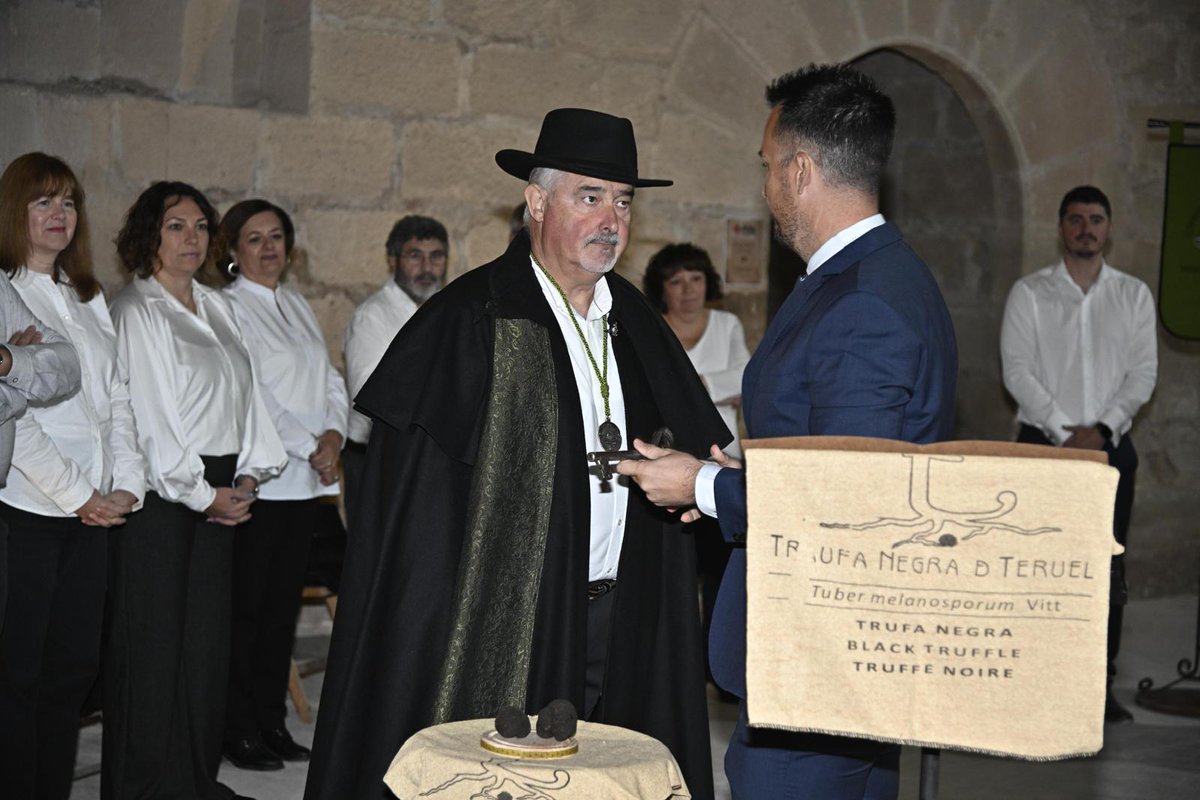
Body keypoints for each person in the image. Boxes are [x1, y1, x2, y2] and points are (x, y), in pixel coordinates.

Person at [304, 108, 730, 800]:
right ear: (536, 202)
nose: (612, 220)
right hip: (514, 618)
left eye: (623, 201)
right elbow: (415, 517)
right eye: (589, 197)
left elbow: (689, 446)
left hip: (625, 610)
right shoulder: (472, 320)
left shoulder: (640, 325)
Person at [619, 64, 958, 799]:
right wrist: (725, 474)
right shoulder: (875, 275)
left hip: (820, 653)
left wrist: (702, 485)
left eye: (769, 167)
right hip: (846, 659)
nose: (766, 185)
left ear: (801, 171)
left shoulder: (863, 305)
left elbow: (847, 501)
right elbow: (833, 447)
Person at [104, 181, 286, 800]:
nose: (192, 238)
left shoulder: (217, 306)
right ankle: (144, 784)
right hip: (166, 493)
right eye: (176, 226)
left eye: (201, 227)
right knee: (155, 644)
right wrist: (200, 493)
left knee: (204, 647)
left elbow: (248, 394)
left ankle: (190, 779)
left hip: (222, 485)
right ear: (149, 233)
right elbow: (151, 416)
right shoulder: (136, 308)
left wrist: (251, 474)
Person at [1000, 185, 1157, 724]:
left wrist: (1103, 429)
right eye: (1075, 219)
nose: (1086, 228)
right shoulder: (1030, 293)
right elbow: (1017, 370)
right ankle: (1032, 680)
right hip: (1044, 449)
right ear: (1061, 228)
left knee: (1105, 569)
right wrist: (1063, 432)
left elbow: (1143, 373)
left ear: (1108, 228)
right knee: (1035, 566)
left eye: (1095, 219)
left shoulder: (1134, 296)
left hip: (1110, 452)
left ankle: (1097, 687)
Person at [218, 199, 349, 770]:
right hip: (262, 486)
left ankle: (271, 723)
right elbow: (254, 395)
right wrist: (308, 445)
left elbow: (330, 380)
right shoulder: (227, 308)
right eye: (254, 239)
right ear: (232, 250)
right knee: (246, 616)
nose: (268, 248)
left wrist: (334, 438)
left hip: (304, 487)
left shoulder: (295, 303)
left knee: (280, 617)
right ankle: (238, 729)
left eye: (276, 237)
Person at [0, 152, 92, 800]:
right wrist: (78, 493)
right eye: (42, 202)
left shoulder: (82, 294)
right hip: (30, 503)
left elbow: (89, 383)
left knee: (72, 671)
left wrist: (118, 487)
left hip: (93, 503)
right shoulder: (8, 288)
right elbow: (20, 421)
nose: (58, 214)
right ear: (14, 212)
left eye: (67, 202)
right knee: (18, 678)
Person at [341, 215, 448, 524]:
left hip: (427, 461)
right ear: (392, 260)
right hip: (378, 458)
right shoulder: (372, 317)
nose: (427, 268)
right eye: (415, 256)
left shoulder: (445, 311)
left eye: (436, 256)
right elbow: (371, 395)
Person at [643, 242, 749, 457]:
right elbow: (647, 392)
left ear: (707, 282)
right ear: (661, 289)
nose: (688, 290)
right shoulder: (651, 329)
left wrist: (688, 387)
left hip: (723, 451)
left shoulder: (728, 324)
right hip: (668, 451)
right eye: (676, 282)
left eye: (696, 279)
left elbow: (746, 379)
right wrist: (720, 390)